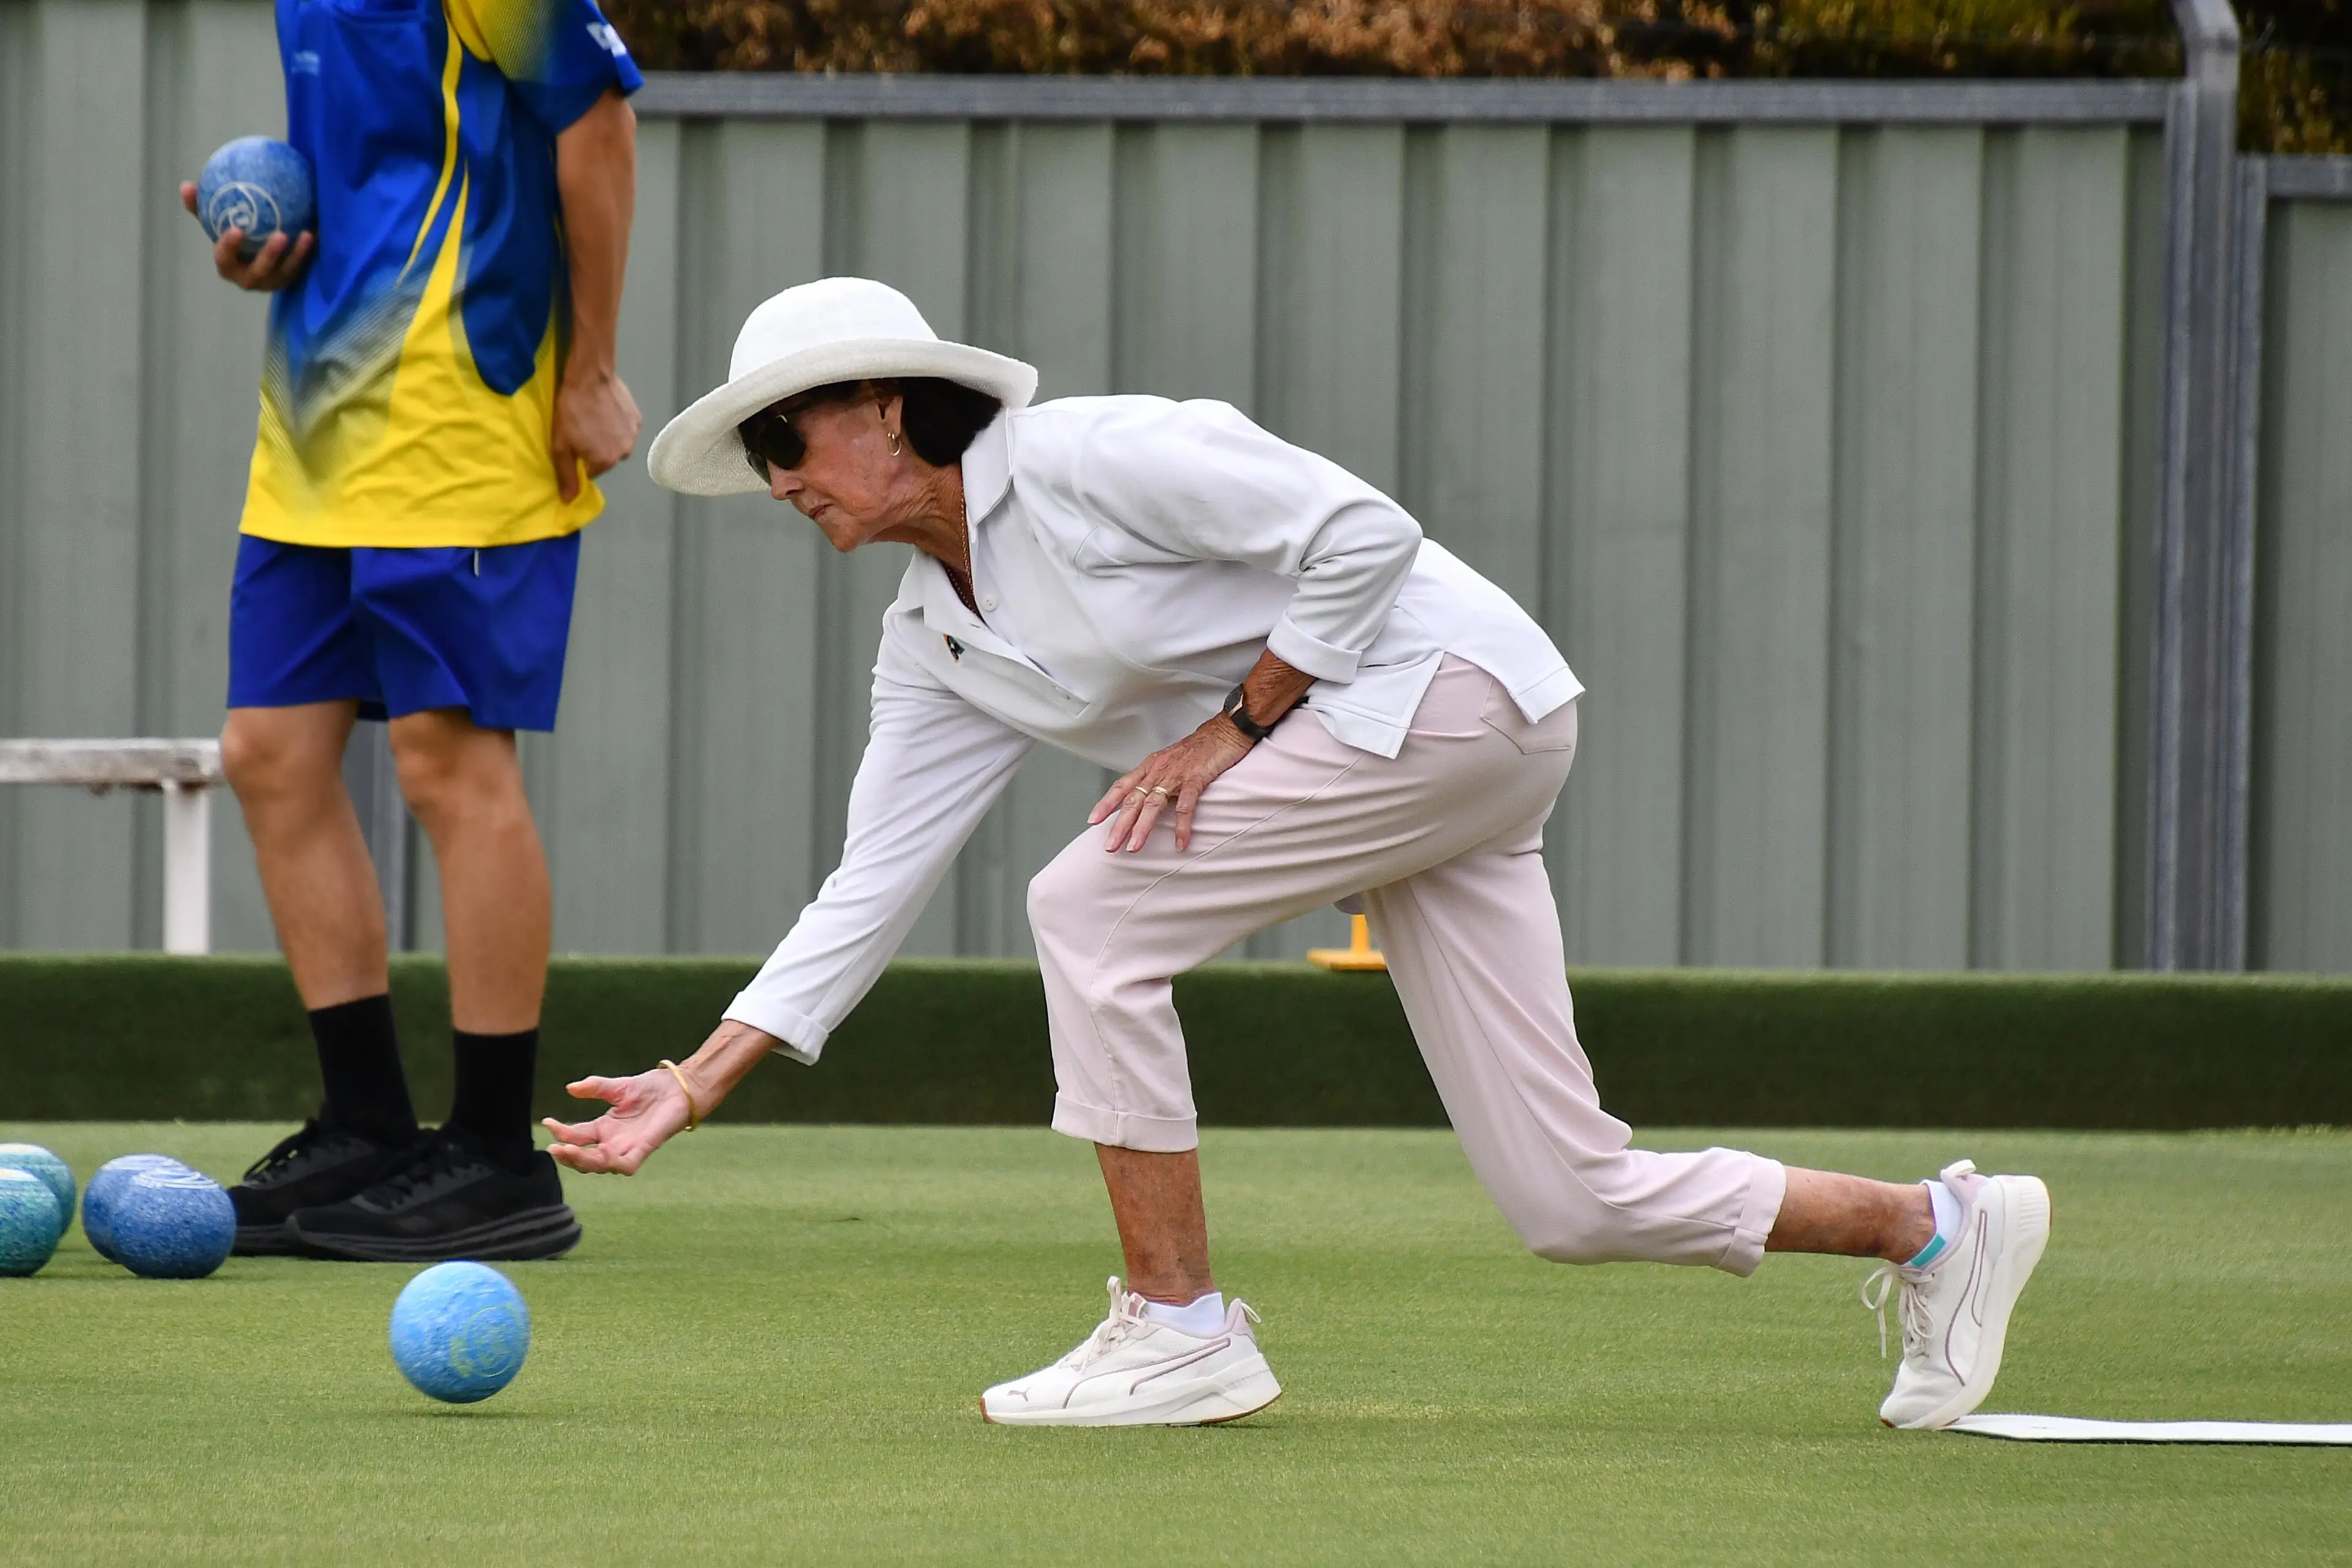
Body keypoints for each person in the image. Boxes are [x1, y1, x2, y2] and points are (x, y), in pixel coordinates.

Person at [544, 277, 2051, 1429]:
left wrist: (1236, 723)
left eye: (784, 435)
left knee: (1087, 906)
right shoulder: (931, 636)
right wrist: (699, 1075)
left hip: (1450, 698)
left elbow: (1363, 529)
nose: (776, 474)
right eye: (758, 451)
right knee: (1568, 1198)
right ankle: (1938, 1226)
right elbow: (869, 879)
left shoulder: (1088, 455)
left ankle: (1180, 1324)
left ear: (881, 406)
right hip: (1422, 755)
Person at [183, 0, 643, 1261]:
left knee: (448, 757)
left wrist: (591, 367)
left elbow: (596, 122)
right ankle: (371, 1124)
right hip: (315, 408)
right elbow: (393, 149)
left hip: (466, 406)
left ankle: (498, 1154)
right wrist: (270, 239)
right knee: (269, 751)